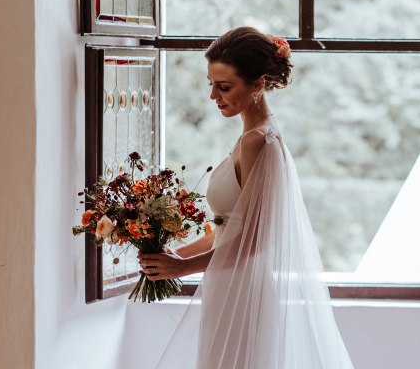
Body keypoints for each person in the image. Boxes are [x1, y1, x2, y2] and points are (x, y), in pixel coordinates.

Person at [138, 27, 354, 369]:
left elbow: (255, 239)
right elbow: (227, 229)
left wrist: (183, 267)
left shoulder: (259, 141)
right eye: (211, 83)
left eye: (224, 87)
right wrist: (176, 253)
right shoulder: (251, 136)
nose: (213, 96)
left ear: (257, 84)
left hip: (244, 285)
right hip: (226, 280)